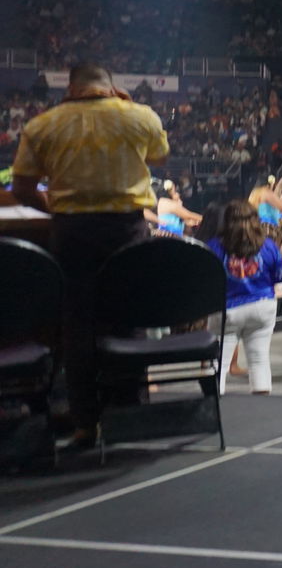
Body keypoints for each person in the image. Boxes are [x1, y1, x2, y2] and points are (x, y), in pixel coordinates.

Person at [9, 63, 170, 445]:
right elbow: (159, 156)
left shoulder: (44, 124)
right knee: (130, 317)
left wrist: (54, 208)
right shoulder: (140, 116)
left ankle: (85, 422)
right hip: (127, 229)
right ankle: (129, 413)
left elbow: (21, 188)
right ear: (112, 87)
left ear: (71, 88)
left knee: (78, 327)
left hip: (72, 232)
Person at [206, 200, 282, 396]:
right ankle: (262, 410)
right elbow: (279, 276)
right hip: (262, 305)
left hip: (227, 308)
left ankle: (212, 410)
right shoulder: (268, 245)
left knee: (218, 364)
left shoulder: (214, 246)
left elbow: (205, 278)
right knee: (259, 360)